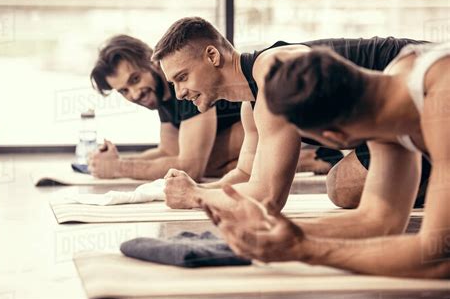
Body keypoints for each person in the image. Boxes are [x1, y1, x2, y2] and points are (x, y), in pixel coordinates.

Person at [203, 43, 450, 278]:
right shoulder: (383, 99)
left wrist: (304, 250)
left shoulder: (440, 95)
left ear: (336, 138)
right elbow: (377, 221)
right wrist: (273, 227)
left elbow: (437, 258)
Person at [153, 16, 428, 210]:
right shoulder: (251, 105)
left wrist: (195, 197)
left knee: (343, 187)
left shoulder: (272, 71)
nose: (179, 93)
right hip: (391, 125)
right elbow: (246, 175)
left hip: (422, 89)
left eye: (182, 77)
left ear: (212, 56)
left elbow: (268, 197)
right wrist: (193, 189)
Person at [88, 35, 243, 181]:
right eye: (124, 91)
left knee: (202, 160)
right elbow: (168, 152)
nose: (134, 95)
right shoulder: (161, 93)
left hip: (259, 133)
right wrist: (114, 161)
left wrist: (118, 168)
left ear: (153, 62)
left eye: (135, 79)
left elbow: (190, 168)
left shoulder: (185, 88)